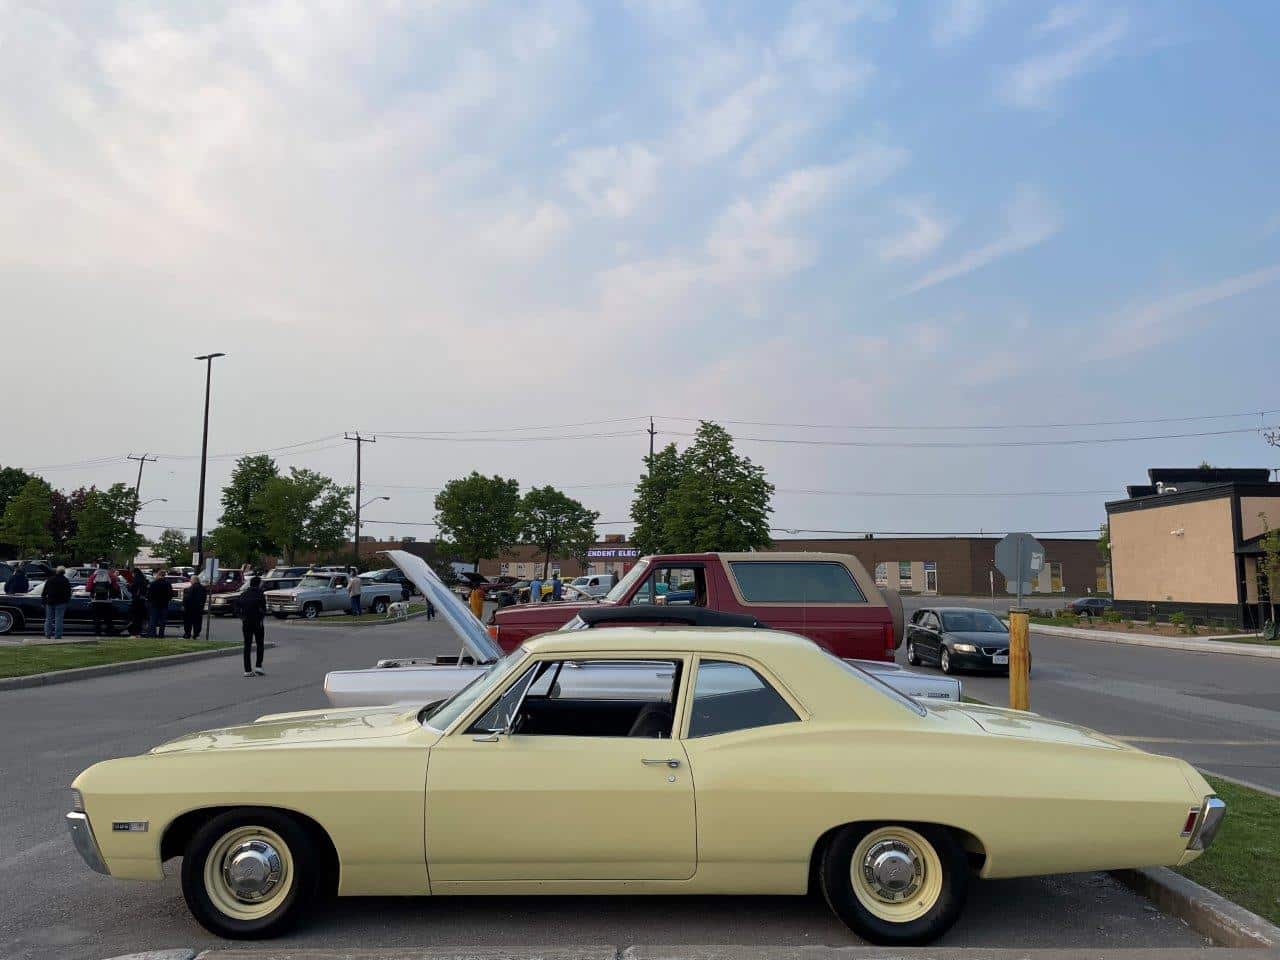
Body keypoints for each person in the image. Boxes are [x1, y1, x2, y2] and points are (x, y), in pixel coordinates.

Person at [237, 575, 267, 677]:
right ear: (258, 584)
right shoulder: (260, 595)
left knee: (247, 645)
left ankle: (247, 670)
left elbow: (236, 607)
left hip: (246, 623)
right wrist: (261, 616)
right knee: (260, 644)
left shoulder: (243, 594)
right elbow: (263, 608)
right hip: (258, 622)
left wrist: (242, 617)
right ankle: (258, 666)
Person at [87, 559, 120, 636]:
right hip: (107, 601)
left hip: (95, 601)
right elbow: (116, 588)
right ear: (107, 568)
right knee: (108, 618)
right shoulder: (111, 576)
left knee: (96, 618)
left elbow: (88, 588)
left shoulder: (93, 575)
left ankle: (97, 633)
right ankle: (109, 632)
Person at [42, 565, 71, 639]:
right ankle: (57, 635)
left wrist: (44, 601)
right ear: (64, 572)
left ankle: (47, 634)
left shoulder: (50, 579)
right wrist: (67, 601)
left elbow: (44, 592)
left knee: (48, 619)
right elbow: (68, 593)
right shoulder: (65, 580)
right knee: (59, 619)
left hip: (50, 601)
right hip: (61, 602)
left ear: (56, 571)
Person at [146, 569, 174, 638]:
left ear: (158, 575)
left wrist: (150, 601)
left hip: (154, 604)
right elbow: (170, 594)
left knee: (153, 620)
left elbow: (148, 595)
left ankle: (153, 634)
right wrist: (167, 600)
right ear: (164, 575)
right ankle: (161, 634)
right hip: (164, 604)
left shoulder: (153, 584)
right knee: (162, 621)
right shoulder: (167, 584)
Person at [182, 574, 208, 639]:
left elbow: (187, 598)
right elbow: (204, 598)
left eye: (191, 580)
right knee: (198, 622)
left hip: (190, 608)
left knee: (188, 622)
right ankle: (196, 634)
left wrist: (184, 605)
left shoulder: (190, 589)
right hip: (199, 608)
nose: (190, 581)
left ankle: (187, 634)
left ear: (193, 580)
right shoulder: (203, 588)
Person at [127, 568, 149, 638]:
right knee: (140, 618)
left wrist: (129, 586)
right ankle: (138, 633)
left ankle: (134, 633)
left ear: (135, 573)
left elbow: (133, 590)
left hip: (136, 601)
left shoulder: (136, 581)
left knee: (135, 618)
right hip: (142, 601)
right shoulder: (143, 580)